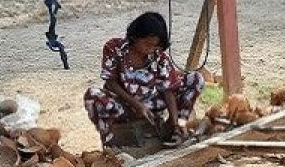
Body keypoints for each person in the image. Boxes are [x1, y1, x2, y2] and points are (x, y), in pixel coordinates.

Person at [84, 12, 205, 147]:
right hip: (124, 106)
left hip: (151, 106)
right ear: (135, 36)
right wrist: (137, 105)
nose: (151, 49)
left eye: (155, 45)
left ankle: (175, 128)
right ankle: (111, 142)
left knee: (195, 79)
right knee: (93, 95)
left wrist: (175, 123)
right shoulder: (114, 48)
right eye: (147, 44)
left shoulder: (158, 56)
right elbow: (110, 83)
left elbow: (168, 90)